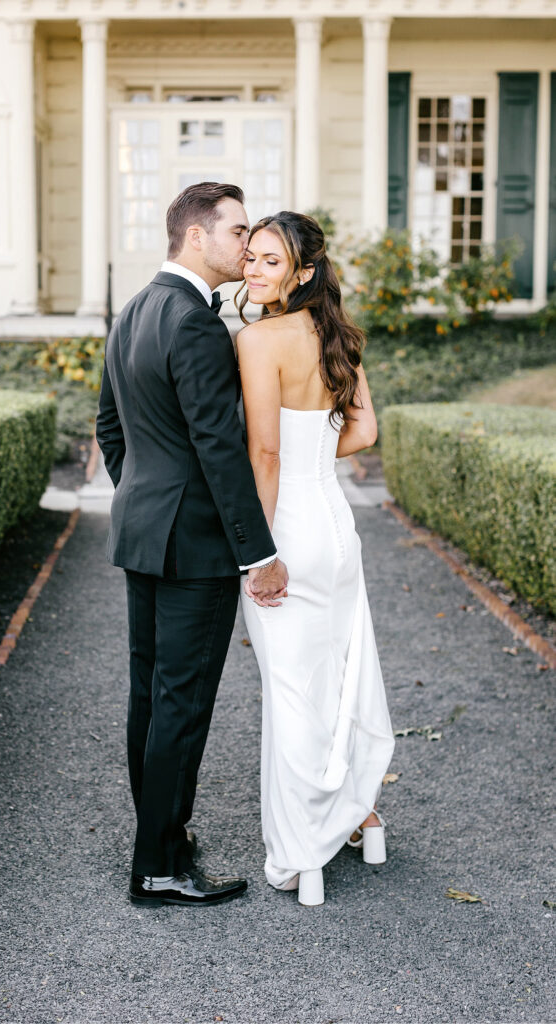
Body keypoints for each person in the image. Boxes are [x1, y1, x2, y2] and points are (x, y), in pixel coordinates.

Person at [96, 183, 289, 908]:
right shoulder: (196, 323)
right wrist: (257, 552)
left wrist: (145, 498)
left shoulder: (134, 311)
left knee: (150, 696)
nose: (246, 243)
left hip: (143, 533)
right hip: (194, 550)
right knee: (181, 705)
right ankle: (157, 866)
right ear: (196, 238)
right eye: (237, 230)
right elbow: (218, 449)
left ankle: (163, 842)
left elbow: (111, 432)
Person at [236, 211, 395, 908]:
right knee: (340, 674)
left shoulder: (258, 338)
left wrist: (256, 551)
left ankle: (302, 858)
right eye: (249, 257)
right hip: (334, 526)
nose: (251, 270)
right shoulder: (337, 336)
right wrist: (309, 459)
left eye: (268, 261)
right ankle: (363, 815)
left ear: (301, 273)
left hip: (290, 531)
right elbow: (364, 429)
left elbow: (264, 454)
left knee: (293, 692)